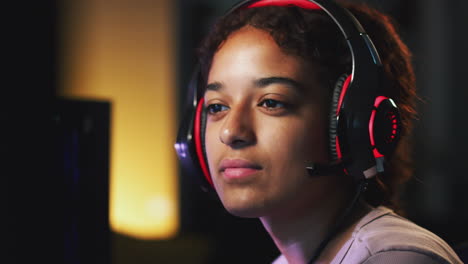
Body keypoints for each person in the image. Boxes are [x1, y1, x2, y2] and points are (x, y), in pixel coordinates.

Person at [175, 0, 463, 263]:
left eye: (271, 102)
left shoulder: (392, 258)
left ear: (354, 126)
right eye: (216, 107)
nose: (231, 131)